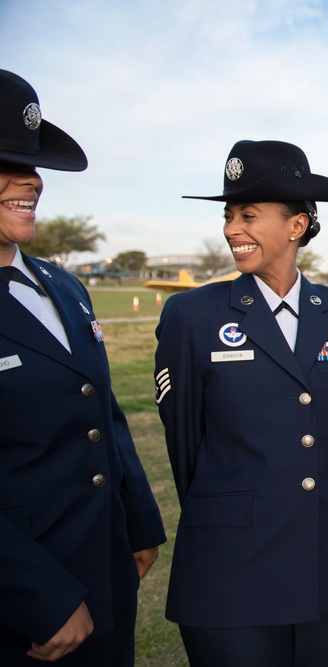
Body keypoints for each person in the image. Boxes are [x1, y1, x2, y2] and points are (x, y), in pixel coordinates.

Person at [154, 140, 328, 666]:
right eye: (229, 215)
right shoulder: (193, 316)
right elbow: (185, 444)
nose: (232, 228)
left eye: (249, 215)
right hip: (232, 567)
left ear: (297, 225)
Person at [0, 70, 166, 665]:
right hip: (26, 595)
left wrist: (140, 523)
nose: (30, 181)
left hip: (104, 561)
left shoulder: (64, 285)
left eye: (30, 163)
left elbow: (104, 414)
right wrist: (36, 593)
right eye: (4, 165)